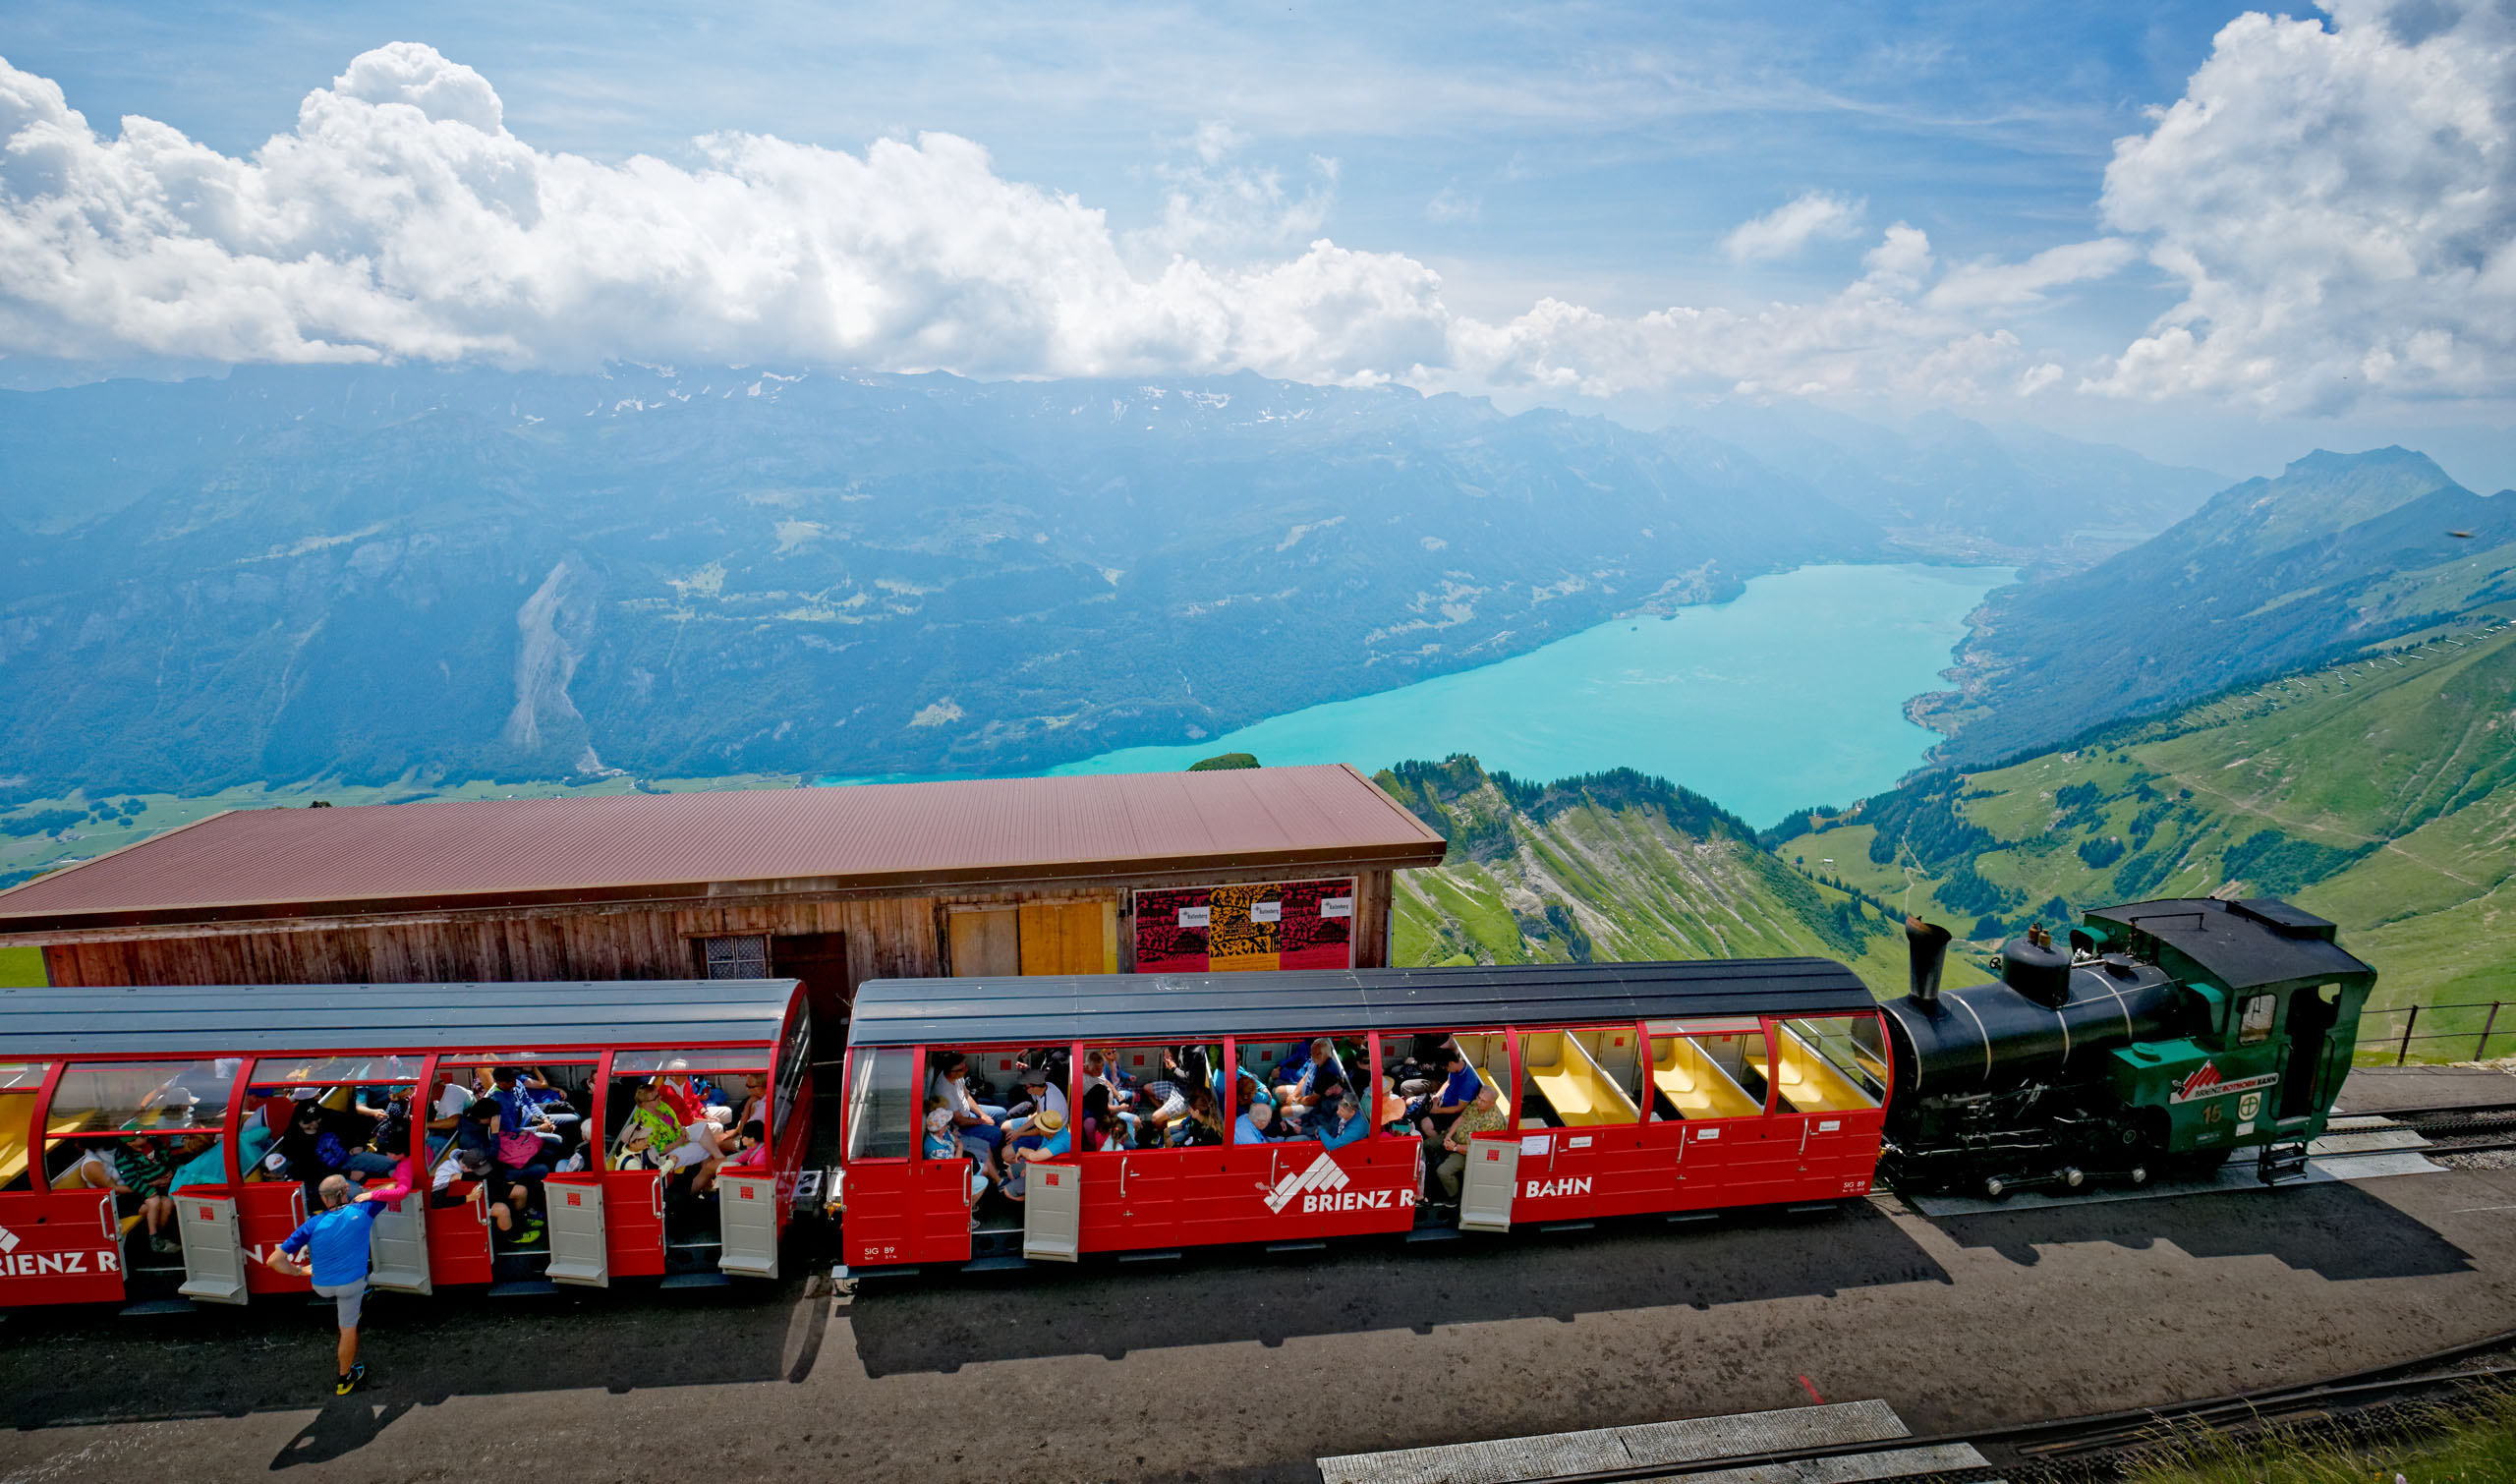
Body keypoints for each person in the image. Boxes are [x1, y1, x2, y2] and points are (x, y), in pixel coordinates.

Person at [265, 1162, 414, 1397]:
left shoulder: (311, 1224)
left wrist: (299, 1271)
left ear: (324, 1200)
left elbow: (274, 1260)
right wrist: (368, 1194)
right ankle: (345, 1378)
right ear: (345, 1191)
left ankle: (359, 1299)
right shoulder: (364, 1210)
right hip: (350, 1286)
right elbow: (393, 1187)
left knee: (346, 1295)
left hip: (321, 1285)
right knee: (347, 1329)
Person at [930, 1053, 1005, 1176]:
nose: (966, 1070)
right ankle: (994, 1160)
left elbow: (967, 1095)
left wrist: (982, 1115)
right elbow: (960, 1120)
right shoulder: (944, 1090)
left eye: (965, 1066)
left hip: (969, 1112)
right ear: (952, 1072)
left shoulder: (958, 1077)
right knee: (996, 1133)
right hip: (961, 1126)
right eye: (962, 1069)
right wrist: (983, 1122)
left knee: (1001, 1113)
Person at [1435, 1083, 1508, 1202]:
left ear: (1492, 1103)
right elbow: (1461, 1119)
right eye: (1478, 1098)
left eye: (1483, 1101)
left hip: (1467, 1152)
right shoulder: (1475, 1105)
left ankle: (1454, 1197)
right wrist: (1448, 1136)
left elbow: (1478, 1149)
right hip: (1455, 1137)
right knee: (1428, 1145)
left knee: (1443, 1172)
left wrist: (1455, 1147)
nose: (1479, 1102)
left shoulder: (1493, 1123)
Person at [429, 1145, 520, 1237]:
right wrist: (468, 1198)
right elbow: (436, 1202)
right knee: (502, 1209)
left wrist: (461, 1176)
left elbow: (489, 1174)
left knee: (520, 1191)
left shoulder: (471, 1155)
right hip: (468, 1205)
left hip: (484, 1192)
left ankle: (518, 1221)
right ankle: (512, 1237)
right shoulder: (445, 1171)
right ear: (464, 1167)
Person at [112, 1135, 180, 1254]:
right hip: (137, 1192)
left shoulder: (155, 1146)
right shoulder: (124, 1156)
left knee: (168, 1203)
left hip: (155, 1188)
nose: (146, 1137)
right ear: (130, 1143)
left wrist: (170, 1172)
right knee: (154, 1201)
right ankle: (154, 1236)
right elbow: (131, 1180)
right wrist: (149, 1189)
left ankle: (159, 1237)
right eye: (141, 1136)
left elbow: (169, 1161)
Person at [1275, 1038, 1348, 1128]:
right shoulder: (1315, 1060)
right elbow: (1304, 1079)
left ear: (1322, 1054)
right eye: (1311, 1054)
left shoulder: (1327, 1073)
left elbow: (1313, 1100)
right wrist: (1293, 1095)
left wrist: (1295, 1100)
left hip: (1313, 1104)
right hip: (1305, 1093)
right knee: (1278, 1091)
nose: (1312, 1057)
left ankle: (1289, 1127)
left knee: (1284, 1111)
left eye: (1314, 1055)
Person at [1418, 1045, 1485, 1139]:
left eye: (1445, 1068)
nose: (1446, 1071)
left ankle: (1440, 1142)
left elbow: (1460, 1108)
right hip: (1443, 1101)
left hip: (1452, 1111)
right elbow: (1448, 1082)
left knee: (1425, 1125)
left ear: (1451, 1064)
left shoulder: (1468, 1081)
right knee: (1414, 1103)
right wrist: (1437, 1096)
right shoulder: (1455, 1070)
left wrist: (1438, 1110)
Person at [1001, 1110, 1068, 1201]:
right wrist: (1029, 1165)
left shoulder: (1060, 1143)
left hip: (1053, 1173)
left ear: (1047, 1131)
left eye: (1039, 1127)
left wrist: (1021, 1150)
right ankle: (1028, 1190)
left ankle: (1035, 1200)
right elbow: (1041, 1148)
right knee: (1011, 1170)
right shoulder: (1053, 1131)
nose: (1037, 1128)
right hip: (1044, 1165)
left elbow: (1034, 1156)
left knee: (1008, 1192)